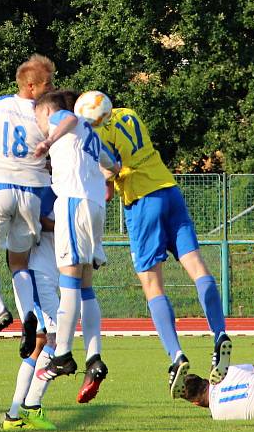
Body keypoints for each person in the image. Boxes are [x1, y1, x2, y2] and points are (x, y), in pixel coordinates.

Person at [94, 102, 232, 398]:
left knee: (152, 283)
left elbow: (107, 184)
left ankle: (176, 355)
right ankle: (219, 332)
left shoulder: (95, 134)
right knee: (196, 266)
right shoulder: (129, 112)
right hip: (169, 189)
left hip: (142, 201)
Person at [0, 54, 75, 359]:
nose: (51, 88)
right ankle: (28, 316)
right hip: (33, 194)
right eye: (47, 83)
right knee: (19, 263)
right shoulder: (48, 113)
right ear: (30, 84)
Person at [32, 91, 120, 407]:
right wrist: (105, 182)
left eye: (40, 117)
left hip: (72, 203)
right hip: (94, 207)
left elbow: (67, 117)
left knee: (68, 283)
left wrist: (48, 140)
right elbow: (114, 165)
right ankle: (94, 357)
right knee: (86, 288)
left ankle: (64, 355)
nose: (41, 124)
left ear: (48, 111)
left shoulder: (65, 119)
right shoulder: (93, 136)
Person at [3, 181, 59, 431]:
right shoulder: (48, 188)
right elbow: (38, 218)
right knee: (55, 338)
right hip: (38, 275)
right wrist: (68, 228)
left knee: (40, 343)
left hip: (42, 274)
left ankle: (14, 414)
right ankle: (31, 407)